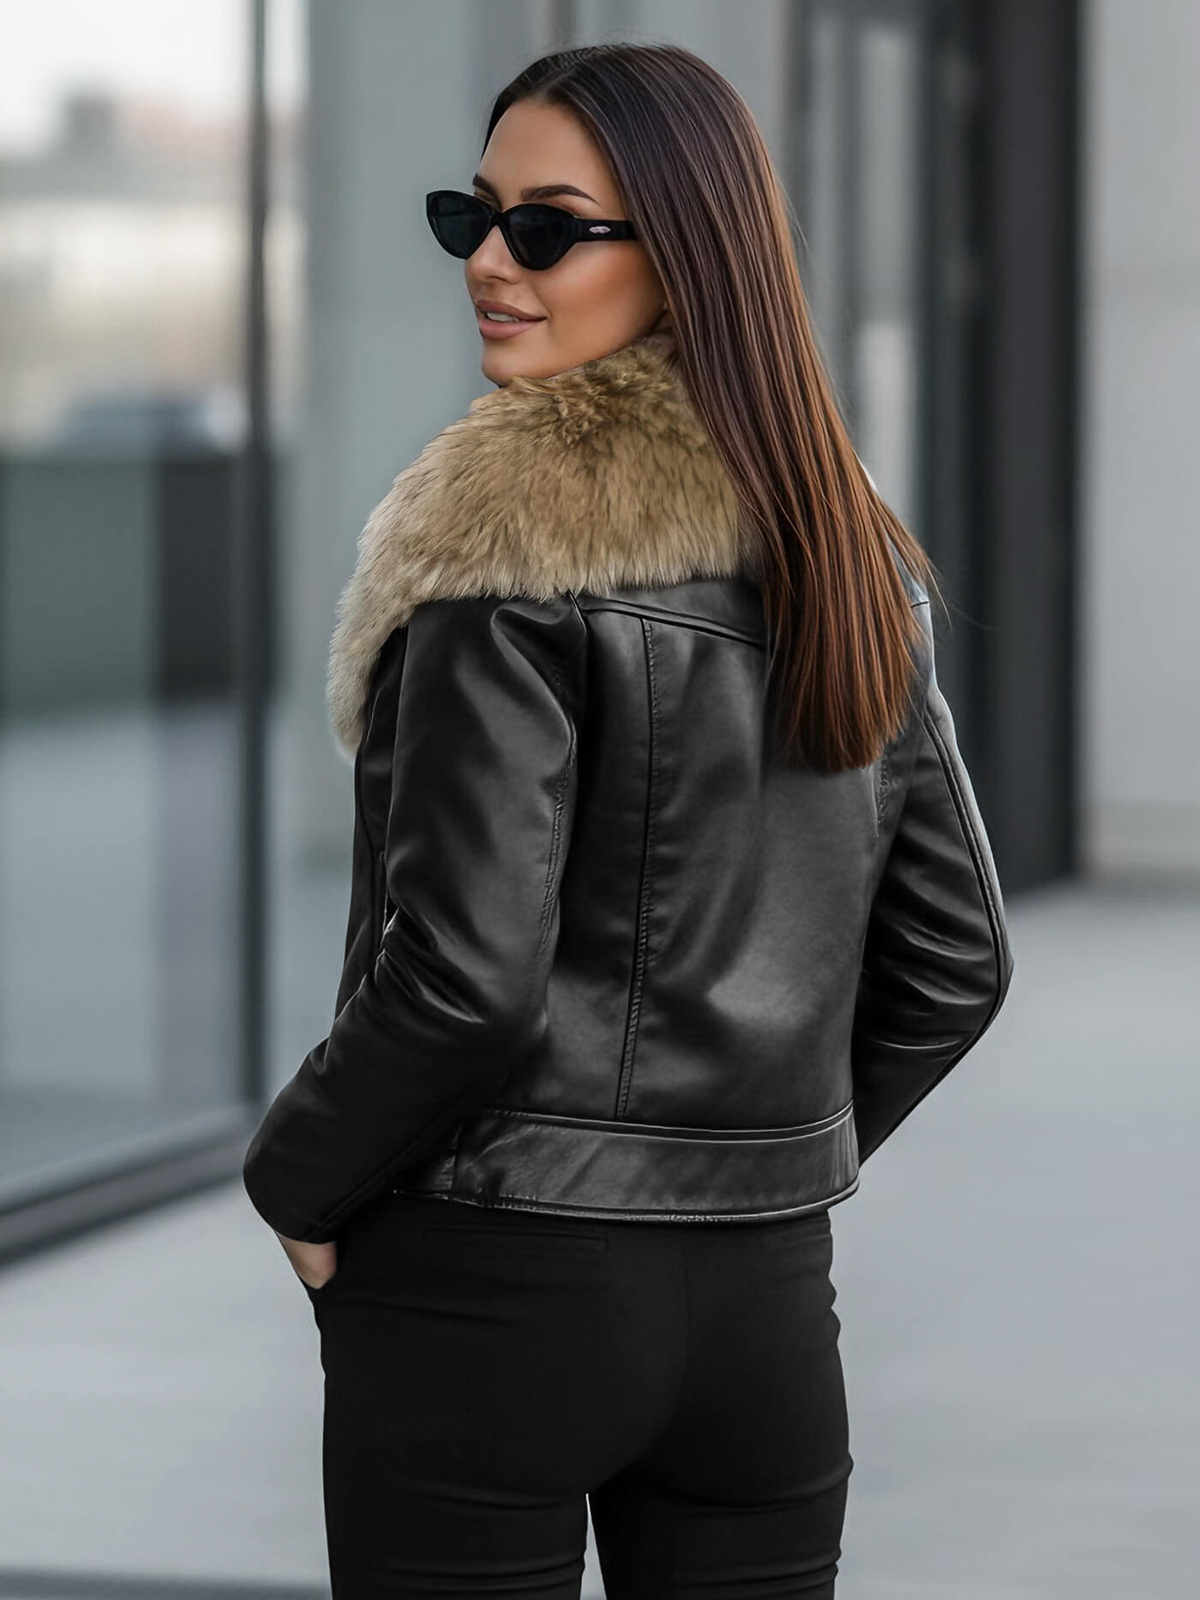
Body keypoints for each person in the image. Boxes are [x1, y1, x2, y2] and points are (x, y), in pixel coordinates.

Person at [242, 40, 1014, 1600]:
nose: (491, 262)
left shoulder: (501, 541)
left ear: (685, 253)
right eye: (471, 217)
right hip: (765, 1318)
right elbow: (957, 963)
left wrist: (297, 1178)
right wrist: (746, 1164)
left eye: (547, 229)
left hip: (487, 1287)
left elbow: (466, 977)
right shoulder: (845, 553)